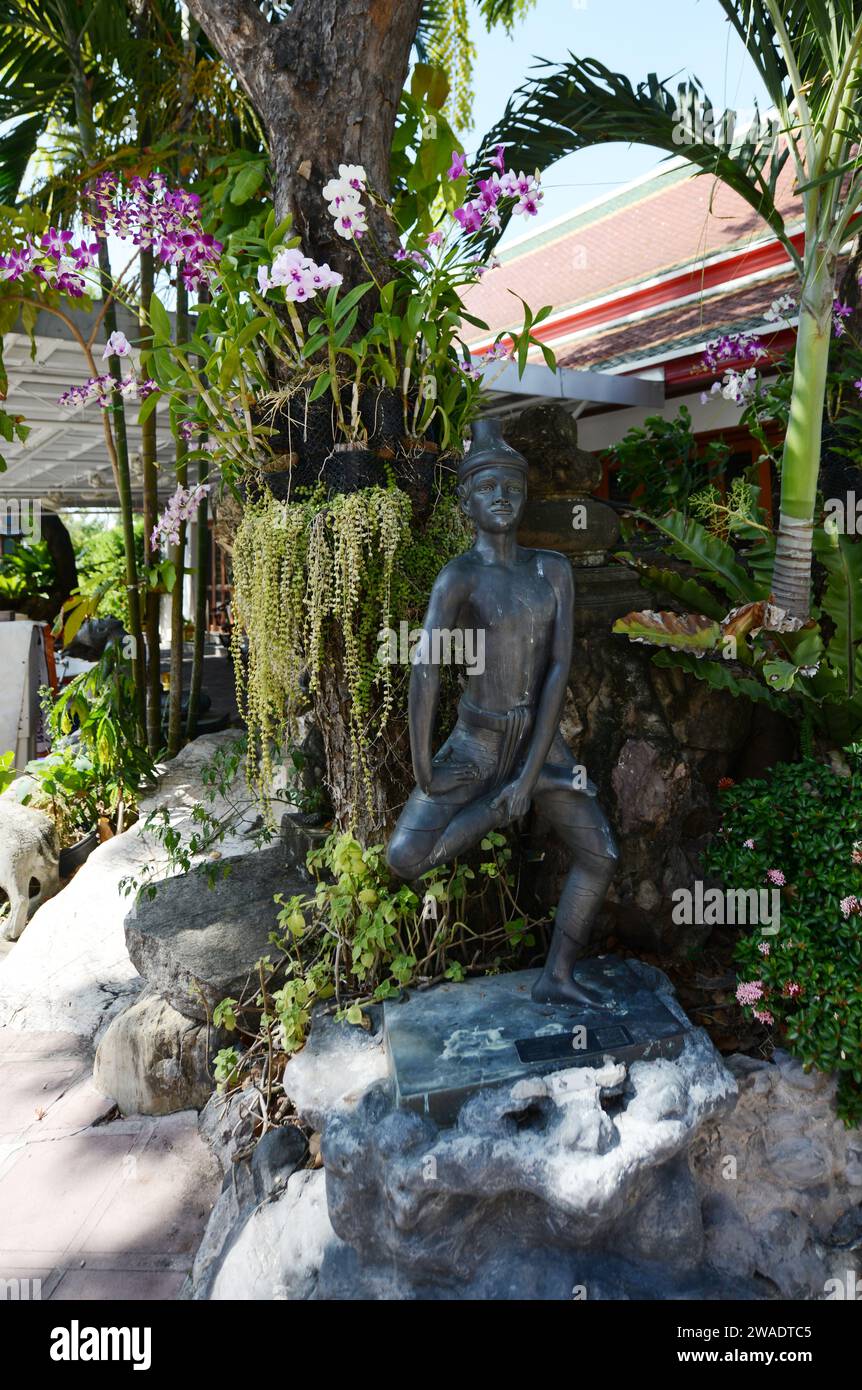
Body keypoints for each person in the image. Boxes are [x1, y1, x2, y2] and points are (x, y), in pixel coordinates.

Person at [386, 418, 618, 1004]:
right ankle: (502, 805)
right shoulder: (459, 578)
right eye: (487, 487)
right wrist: (424, 769)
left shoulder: (551, 570)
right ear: (466, 500)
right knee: (406, 856)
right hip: (475, 744)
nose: (502, 497)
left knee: (601, 854)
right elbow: (427, 669)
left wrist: (532, 770)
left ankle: (557, 976)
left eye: (511, 487)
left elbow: (558, 669)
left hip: (541, 742)